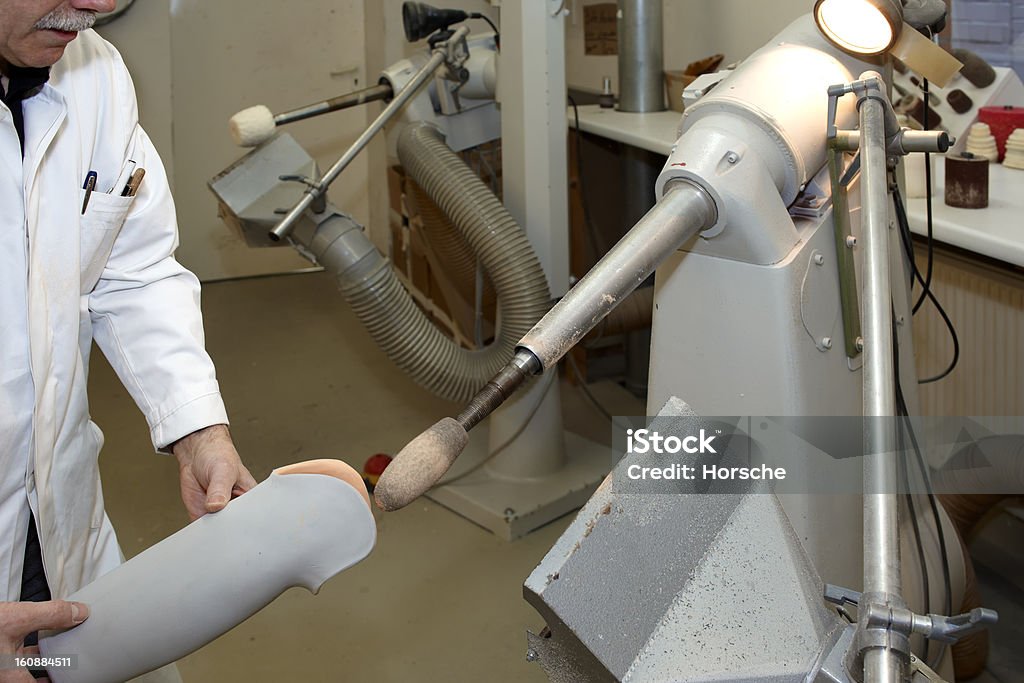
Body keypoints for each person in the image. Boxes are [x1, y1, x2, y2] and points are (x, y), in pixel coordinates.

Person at [1, 1, 256, 679]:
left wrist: (197, 428)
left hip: (64, 534)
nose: (100, 4)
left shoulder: (95, 73)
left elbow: (131, 269)